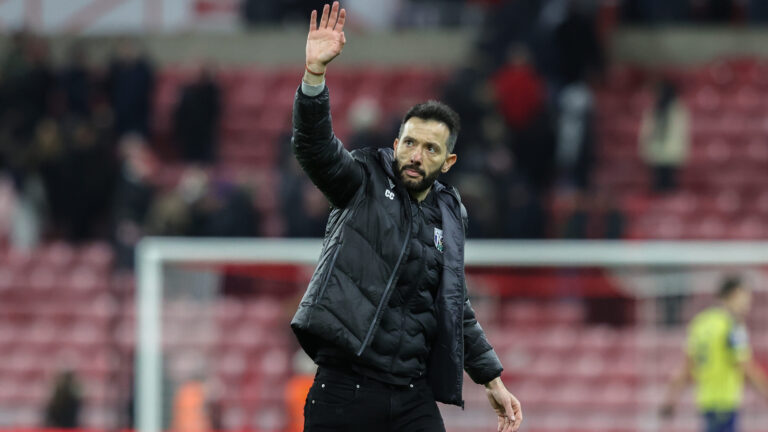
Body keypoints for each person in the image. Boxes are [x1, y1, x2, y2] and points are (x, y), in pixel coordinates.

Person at [289, 3, 522, 432]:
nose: (416, 156)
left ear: (448, 161)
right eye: (410, 143)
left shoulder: (451, 215)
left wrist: (490, 378)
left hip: (411, 394)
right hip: (346, 387)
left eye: (430, 149)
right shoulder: (363, 180)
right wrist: (314, 78)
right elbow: (315, 149)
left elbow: (454, 304)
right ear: (395, 143)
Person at [660, 276, 768, 432]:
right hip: (726, 402)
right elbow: (745, 367)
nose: (748, 304)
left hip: (706, 402)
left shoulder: (700, 323)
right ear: (734, 295)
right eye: (746, 297)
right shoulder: (732, 325)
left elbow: (686, 367)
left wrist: (671, 399)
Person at [639, 79, 690, 193]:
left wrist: (682, 152)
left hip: (671, 152)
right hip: (656, 151)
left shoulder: (678, 110)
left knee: (670, 185)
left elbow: (681, 132)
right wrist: (645, 148)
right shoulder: (654, 109)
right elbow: (647, 130)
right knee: (658, 185)